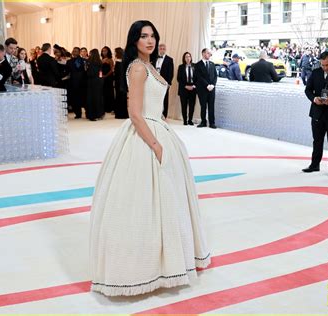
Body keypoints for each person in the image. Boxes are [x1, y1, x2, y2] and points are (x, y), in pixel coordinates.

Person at [89, 20, 210, 297]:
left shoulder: (151, 66)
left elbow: (151, 105)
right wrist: (155, 144)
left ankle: (167, 260)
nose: (149, 40)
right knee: (143, 201)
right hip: (145, 135)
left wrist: (163, 125)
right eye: (144, 36)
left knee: (166, 199)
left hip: (159, 128)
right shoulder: (138, 67)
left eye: (152, 35)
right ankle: (143, 267)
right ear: (134, 41)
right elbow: (135, 112)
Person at [302, 52, 328, 177]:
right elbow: (308, 90)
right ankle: (314, 165)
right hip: (317, 112)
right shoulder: (315, 72)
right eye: (323, 65)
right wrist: (314, 99)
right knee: (317, 140)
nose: (325, 68)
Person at [194, 48, 217, 128]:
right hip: (203, 89)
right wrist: (207, 85)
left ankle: (212, 123)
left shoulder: (212, 64)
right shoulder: (197, 65)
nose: (209, 55)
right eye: (208, 53)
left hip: (212, 89)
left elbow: (215, 76)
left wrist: (213, 85)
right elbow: (199, 77)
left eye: (210, 53)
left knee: (211, 106)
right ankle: (203, 122)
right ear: (203, 53)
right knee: (203, 106)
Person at [177, 52, 197, 125]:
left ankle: (190, 120)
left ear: (191, 58)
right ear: (184, 58)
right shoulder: (181, 67)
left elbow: (198, 78)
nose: (188, 58)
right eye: (186, 57)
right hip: (184, 88)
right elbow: (178, 79)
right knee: (184, 105)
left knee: (192, 105)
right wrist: (185, 86)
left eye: (189, 56)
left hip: (193, 88)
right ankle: (185, 120)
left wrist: (193, 86)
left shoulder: (195, 66)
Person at [155, 43, 174, 118]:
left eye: (163, 48)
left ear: (165, 50)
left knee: (165, 98)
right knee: (155, 98)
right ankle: (155, 114)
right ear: (158, 49)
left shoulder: (169, 59)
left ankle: (164, 115)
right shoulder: (154, 58)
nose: (162, 50)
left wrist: (169, 83)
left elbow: (171, 72)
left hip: (164, 82)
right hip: (155, 82)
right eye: (160, 48)